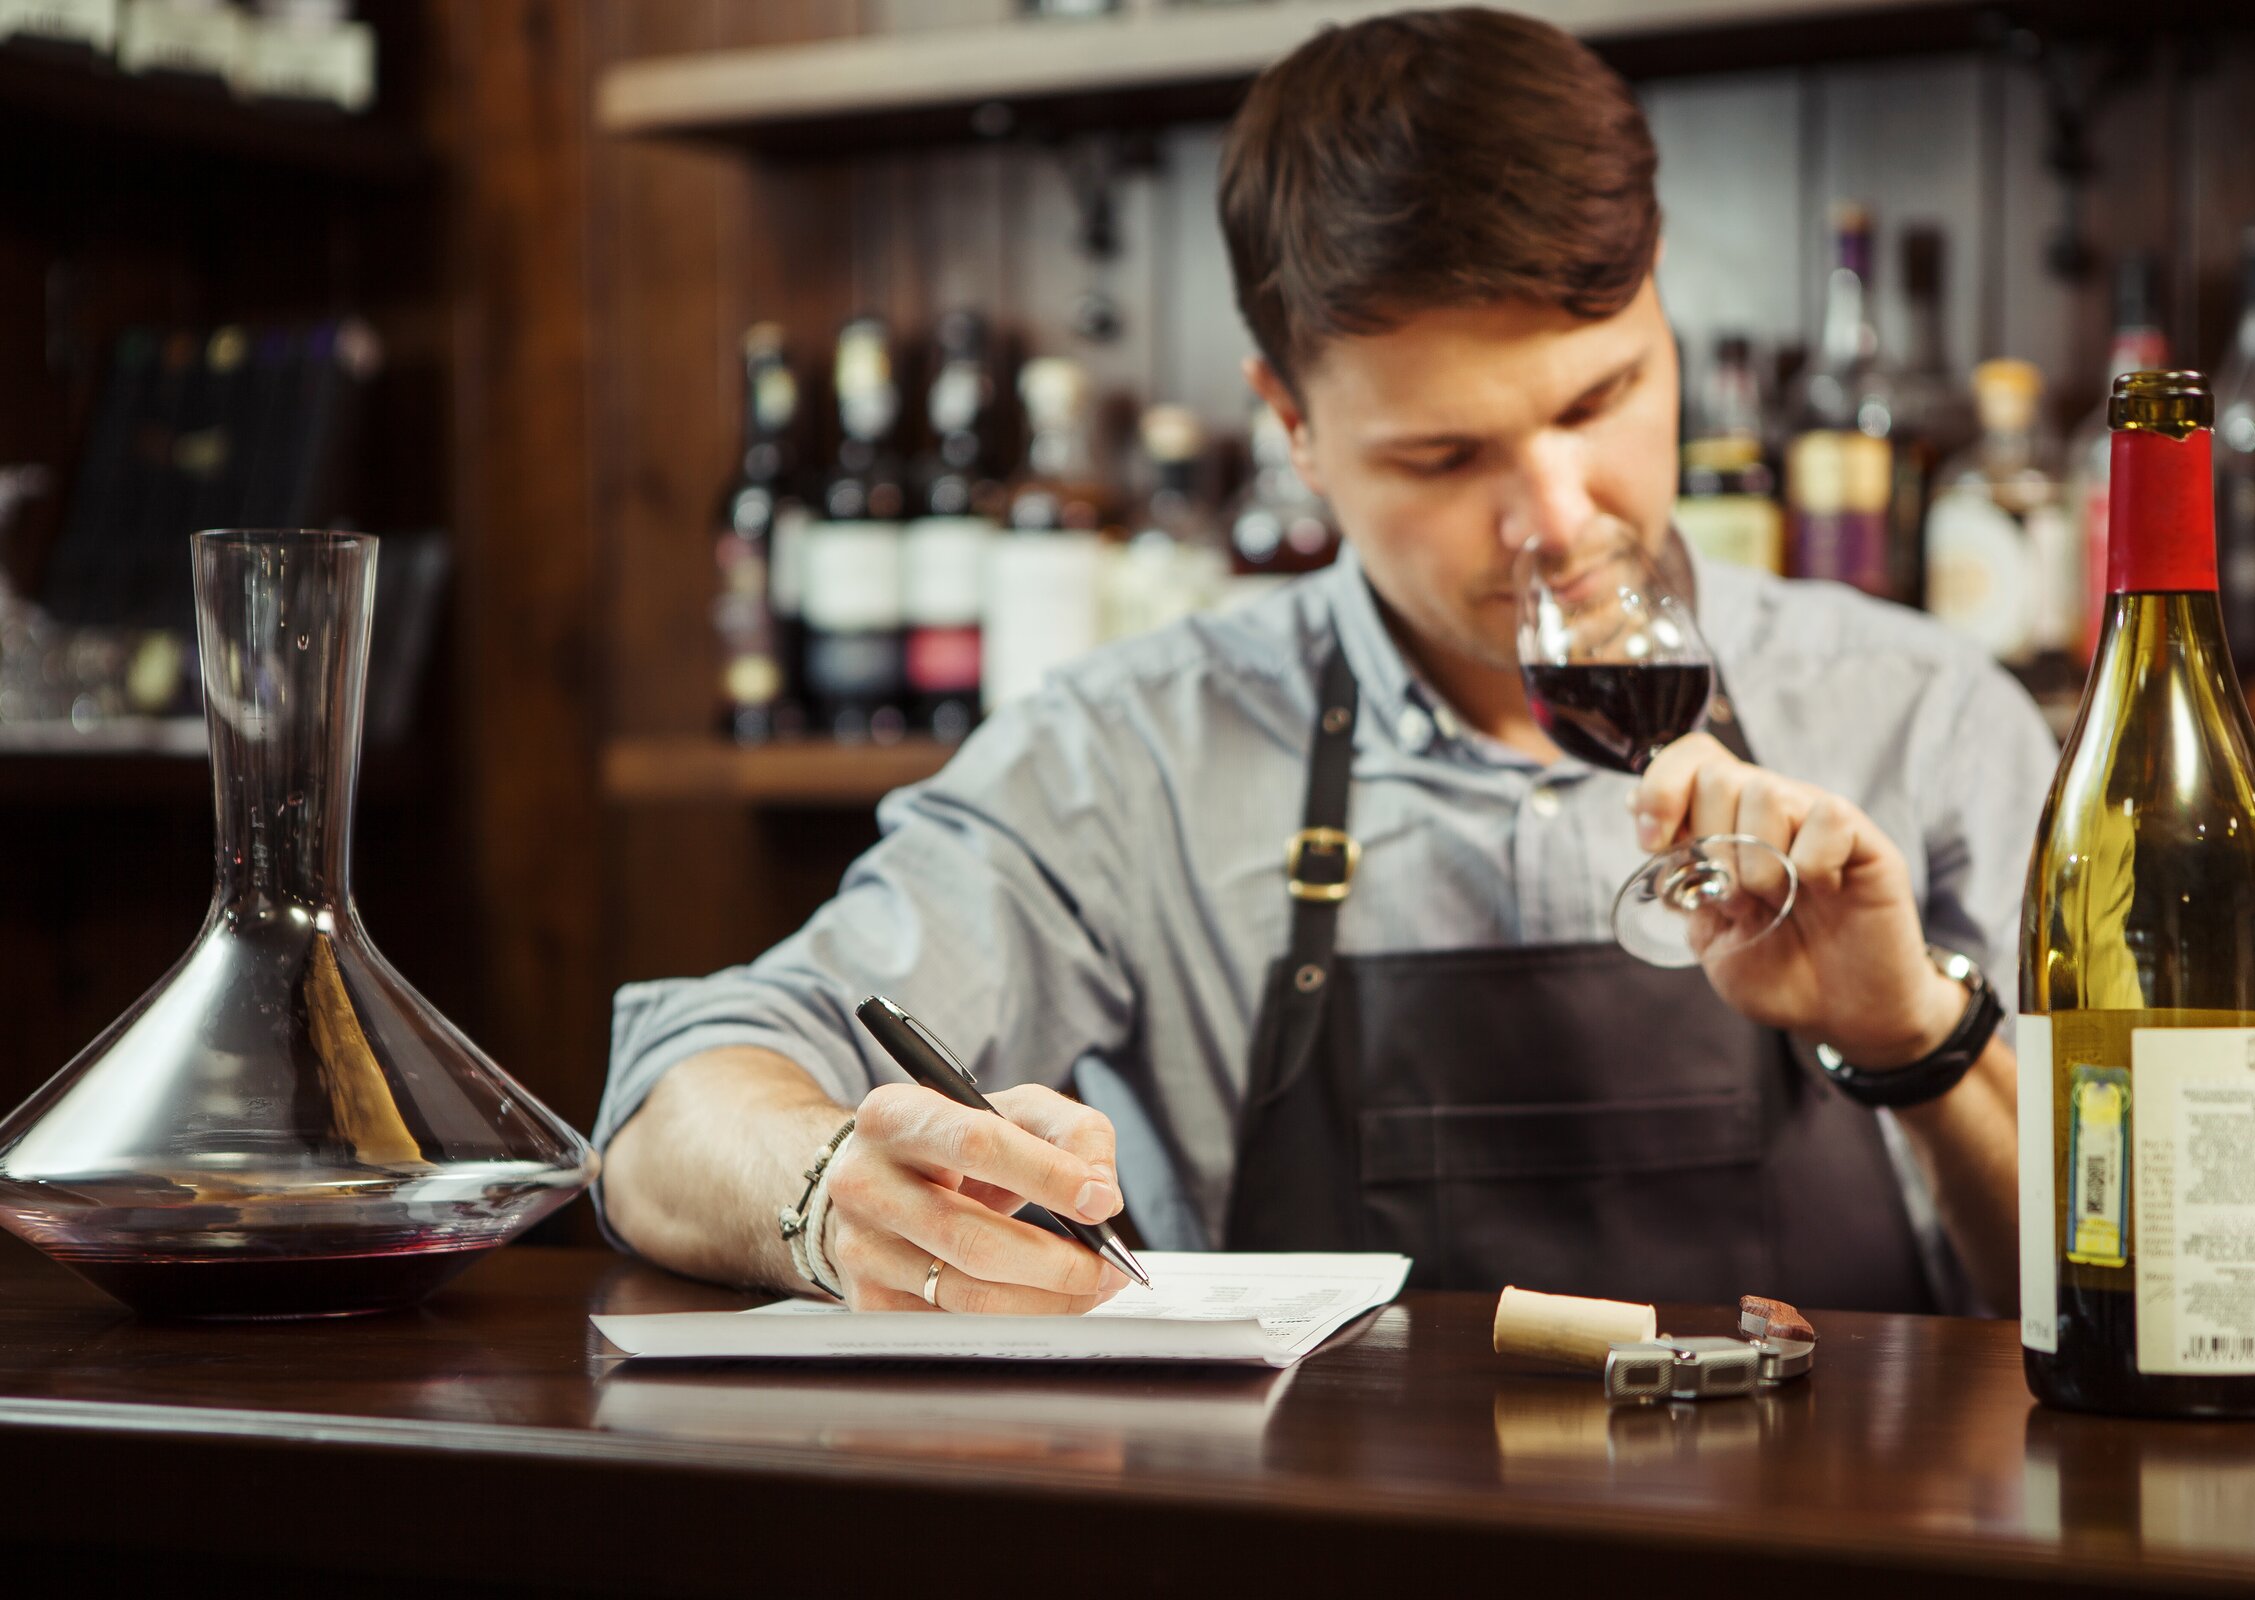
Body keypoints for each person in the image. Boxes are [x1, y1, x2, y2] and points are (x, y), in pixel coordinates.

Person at [596, 6, 2054, 1318]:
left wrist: (1915, 1038)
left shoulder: (1928, 720)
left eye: (1601, 397)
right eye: (1444, 454)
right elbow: (676, 1099)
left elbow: (2117, 1289)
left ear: (1663, 303)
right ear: (1290, 423)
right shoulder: (1128, 756)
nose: (1557, 519)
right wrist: (828, 1193)